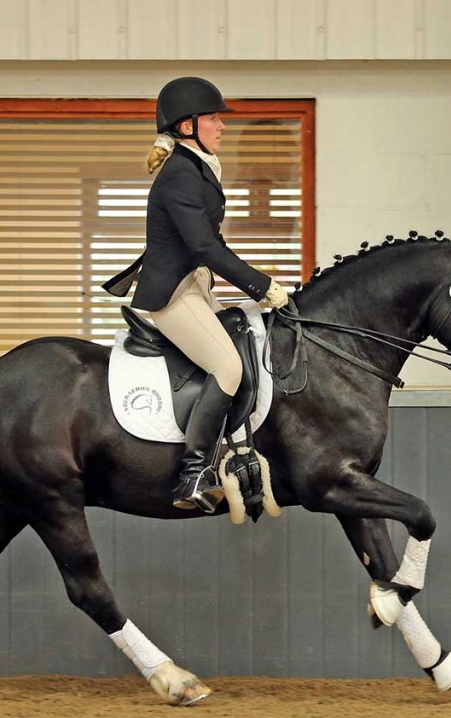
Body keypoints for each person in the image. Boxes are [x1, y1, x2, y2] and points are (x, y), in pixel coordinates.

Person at [103, 76, 289, 513]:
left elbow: (210, 247)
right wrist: (260, 285)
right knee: (227, 367)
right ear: (187, 127)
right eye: (212, 119)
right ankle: (193, 475)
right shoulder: (181, 176)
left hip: (196, 285)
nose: (222, 126)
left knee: (248, 345)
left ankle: (238, 455)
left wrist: (258, 287)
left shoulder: (195, 166)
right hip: (173, 294)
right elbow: (205, 247)